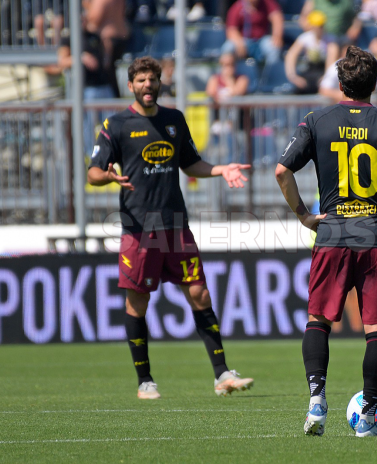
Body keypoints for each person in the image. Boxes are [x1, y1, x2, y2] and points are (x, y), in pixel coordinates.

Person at [275, 46, 377, 437]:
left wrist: (306, 217)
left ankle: (316, 403)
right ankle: (367, 417)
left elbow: (282, 171)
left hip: (331, 233)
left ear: (341, 84)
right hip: (375, 232)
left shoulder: (316, 121)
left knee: (318, 319)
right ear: (375, 83)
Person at [87, 56, 254, 400]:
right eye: (142, 80)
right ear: (130, 85)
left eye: (154, 79)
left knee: (199, 293)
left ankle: (222, 374)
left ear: (160, 83)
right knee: (138, 302)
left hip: (176, 224)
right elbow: (93, 171)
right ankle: (145, 380)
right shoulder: (116, 125)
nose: (149, 85)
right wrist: (108, 176)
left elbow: (191, 166)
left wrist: (221, 169)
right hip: (138, 227)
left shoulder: (174, 120)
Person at [57, 11, 116, 157]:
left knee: (112, 122)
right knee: (89, 124)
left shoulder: (93, 35)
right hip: (88, 88)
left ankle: (113, 152)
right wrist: (81, 58)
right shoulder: (68, 39)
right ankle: (91, 155)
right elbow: (62, 61)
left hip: (104, 85)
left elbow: (106, 56)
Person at [284, 10, 339, 95]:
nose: (319, 29)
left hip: (322, 71)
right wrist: (293, 76)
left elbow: (331, 63)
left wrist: (325, 78)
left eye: (321, 26)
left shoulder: (330, 40)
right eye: (317, 26)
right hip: (310, 70)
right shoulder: (305, 38)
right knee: (298, 88)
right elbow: (291, 55)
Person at [222, 0, 284, 65]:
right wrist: (238, 42)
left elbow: (277, 17)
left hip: (262, 40)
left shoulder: (266, 3)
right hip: (244, 41)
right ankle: (227, 74)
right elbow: (231, 30)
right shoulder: (238, 6)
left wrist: (277, 35)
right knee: (228, 47)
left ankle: (271, 74)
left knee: (273, 48)